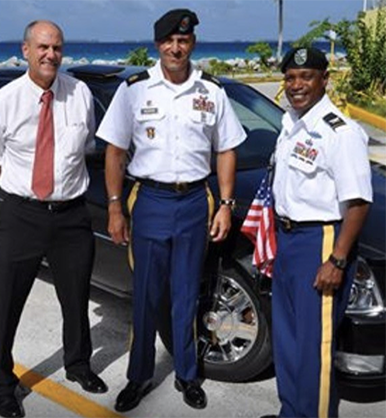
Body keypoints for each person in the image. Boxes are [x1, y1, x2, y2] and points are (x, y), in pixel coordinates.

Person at [96, 8, 246, 413]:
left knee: (186, 295)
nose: (176, 47)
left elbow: (227, 148)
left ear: (192, 43)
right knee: (145, 295)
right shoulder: (134, 89)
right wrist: (114, 207)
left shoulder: (211, 91)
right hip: (151, 201)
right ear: (158, 44)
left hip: (196, 201)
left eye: (183, 40)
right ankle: (139, 376)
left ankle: (187, 374)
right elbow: (113, 150)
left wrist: (227, 204)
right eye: (169, 41)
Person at [0, 20, 107, 418]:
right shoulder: (5, 99)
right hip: (22, 216)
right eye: (43, 47)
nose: (51, 55)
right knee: (6, 304)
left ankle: (78, 364)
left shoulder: (79, 93)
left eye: (57, 48)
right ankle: (1, 381)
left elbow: (85, 146)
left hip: (71, 217)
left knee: (76, 299)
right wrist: (26, 188)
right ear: (27, 50)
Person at [260, 47, 372, 418]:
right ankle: (291, 412)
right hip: (289, 241)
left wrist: (337, 259)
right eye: (291, 77)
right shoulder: (291, 123)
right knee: (288, 342)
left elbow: (357, 203)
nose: (297, 85)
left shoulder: (339, 132)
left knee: (314, 347)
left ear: (325, 79)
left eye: (306, 76)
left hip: (320, 242)